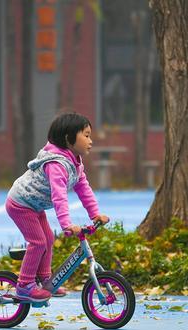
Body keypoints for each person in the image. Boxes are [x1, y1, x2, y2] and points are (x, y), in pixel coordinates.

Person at [6, 112, 110, 303]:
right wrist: (67, 224)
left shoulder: (75, 163)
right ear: (69, 139)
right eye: (86, 135)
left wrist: (95, 214)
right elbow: (59, 196)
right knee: (38, 242)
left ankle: (46, 280)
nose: (90, 141)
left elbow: (83, 188)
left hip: (34, 206)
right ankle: (25, 286)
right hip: (21, 204)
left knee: (48, 239)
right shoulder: (56, 165)